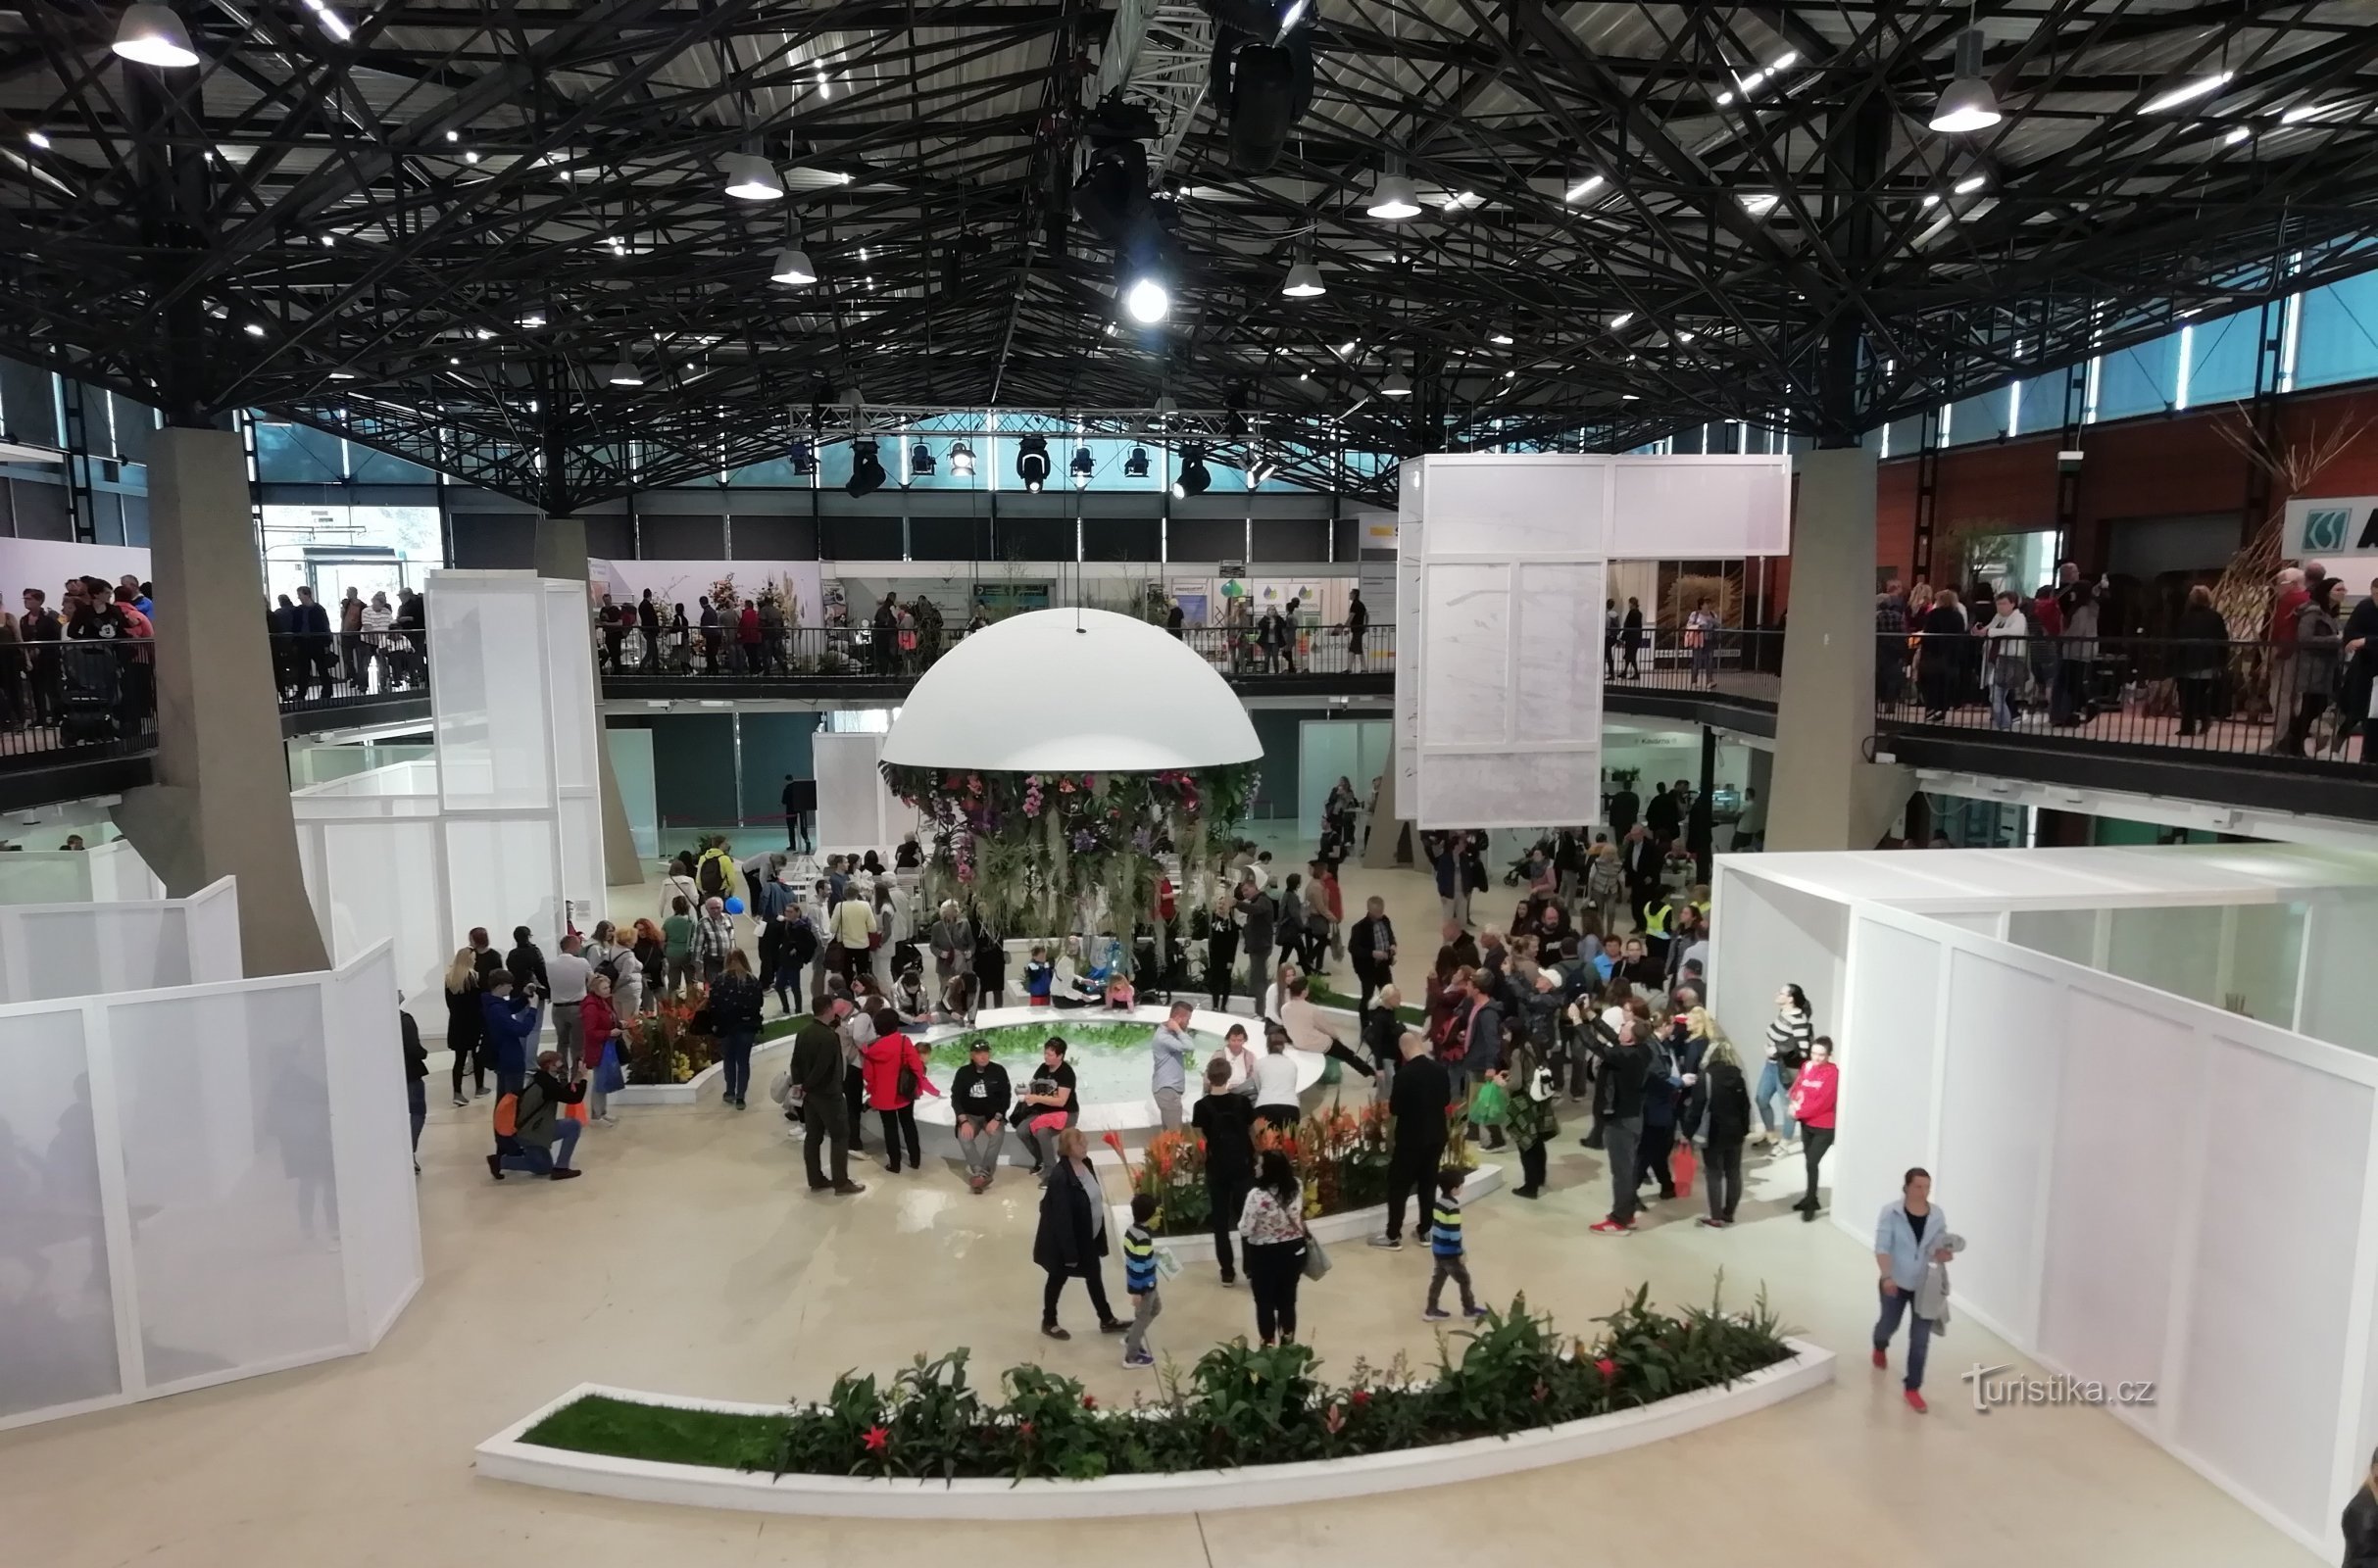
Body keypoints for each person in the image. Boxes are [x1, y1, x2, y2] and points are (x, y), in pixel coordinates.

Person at [1873, 1166, 1958, 1413]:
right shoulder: (1891, 1213)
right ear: (1907, 1187)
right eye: (1918, 1187)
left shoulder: (1937, 1215)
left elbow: (1939, 1244)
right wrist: (1887, 1276)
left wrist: (1944, 1254)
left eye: (1927, 1187)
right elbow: (1882, 1246)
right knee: (1888, 1325)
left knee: (1920, 1339)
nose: (1923, 1192)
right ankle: (1879, 1345)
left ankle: (1913, 1387)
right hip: (1896, 1283)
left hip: (1925, 1286)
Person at [1033, 1126, 1127, 1340]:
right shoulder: (1060, 1177)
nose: (1085, 1146)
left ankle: (1106, 1319)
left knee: (1094, 1277)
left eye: (1084, 1142)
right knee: (1057, 1278)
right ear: (1067, 1148)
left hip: (1087, 1237)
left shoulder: (1086, 1164)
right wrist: (1070, 1254)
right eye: (1079, 1143)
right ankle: (1049, 1321)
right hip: (1068, 1242)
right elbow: (1061, 1218)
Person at [1373, 1031, 1451, 1250]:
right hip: (1437, 1136)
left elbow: (1396, 1108)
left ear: (1404, 1050)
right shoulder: (1440, 1070)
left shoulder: (1405, 1075)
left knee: (1398, 1187)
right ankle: (1426, 1231)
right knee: (1428, 1185)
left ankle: (1393, 1235)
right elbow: (1445, 1099)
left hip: (1411, 1139)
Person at [1193, 1054, 1258, 1285]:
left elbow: (1200, 1142)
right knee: (1246, 1217)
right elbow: (1252, 1132)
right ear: (1229, 1076)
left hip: (1217, 1169)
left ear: (1209, 1078)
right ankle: (1251, 1268)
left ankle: (1227, 1272)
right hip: (1242, 1166)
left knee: (1220, 1222)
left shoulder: (1201, 1106)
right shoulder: (1242, 1103)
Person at [791, 996, 865, 1195]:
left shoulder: (804, 1032)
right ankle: (841, 1183)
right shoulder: (829, 1036)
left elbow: (795, 1062)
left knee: (813, 1137)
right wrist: (808, 1085)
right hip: (829, 1095)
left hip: (810, 1097)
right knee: (840, 1135)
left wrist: (801, 1086)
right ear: (827, 1010)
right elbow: (823, 1067)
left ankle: (815, 1179)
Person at [1588, 1015, 1653, 1235]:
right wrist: (1592, 1018)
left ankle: (1619, 1220)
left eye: (1625, 1026)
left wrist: (1578, 1022)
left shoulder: (1621, 1056)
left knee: (1622, 1172)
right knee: (1628, 1168)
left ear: (1630, 1037)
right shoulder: (1642, 1051)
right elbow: (1612, 1040)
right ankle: (1627, 1213)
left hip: (1620, 1120)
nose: (1621, 1027)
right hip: (1634, 1117)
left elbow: (1595, 1046)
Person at [488, 1050, 586, 1181]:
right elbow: (574, 1098)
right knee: (573, 1125)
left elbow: (563, 1092)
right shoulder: (548, 1085)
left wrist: (578, 1078)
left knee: (543, 1167)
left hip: (523, 1131)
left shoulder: (540, 1078)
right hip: (534, 1132)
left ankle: (500, 1161)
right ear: (550, 1065)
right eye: (558, 1061)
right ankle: (561, 1168)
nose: (561, 1064)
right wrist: (584, 1078)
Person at [862, 1005, 936, 1172]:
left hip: (882, 1097)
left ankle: (894, 1164)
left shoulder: (870, 1050)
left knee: (890, 1128)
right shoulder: (904, 1042)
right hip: (904, 1093)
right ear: (896, 1024)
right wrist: (918, 1087)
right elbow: (916, 1066)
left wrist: (874, 1094)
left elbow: (868, 1076)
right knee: (908, 1124)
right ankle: (915, 1160)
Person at [2280, 575, 2346, 757]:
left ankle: (2292, 741)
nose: (2343, 593)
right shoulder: (2313, 613)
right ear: (2327, 592)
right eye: (2339, 590)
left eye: (2343, 590)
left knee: (2316, 705)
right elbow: (2305, 638)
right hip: (2313, 667)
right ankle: (2293, 743)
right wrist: (2334, 640)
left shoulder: (2328, 613)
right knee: (2312, 706)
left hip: (2324, 667)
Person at [1696, 1036, 1753, 1228]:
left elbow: (1697, 1107)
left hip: (1713, 1131)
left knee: (1713, 1173)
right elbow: (1745, 1106)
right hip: (1735, 1131)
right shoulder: (1738, 1077)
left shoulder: (1707, 1077)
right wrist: (1745, 1130)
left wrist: (1688, 1131)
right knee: (1734, 1172)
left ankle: (1715, 1216)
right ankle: (1729, 1213)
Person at [1421, 1164, 1489, 1322]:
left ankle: (1431, 1309)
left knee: (1437, 1279)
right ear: (1454, 1189)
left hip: (1437, 1249)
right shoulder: (1452, 1208)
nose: (1461, 1188)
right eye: (1460, 1185)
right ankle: (1469, 1309)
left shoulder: (1439, 1203)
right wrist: (1460, 1252)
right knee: (1464, 1280)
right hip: (1450, 1252)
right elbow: (1454, 1233)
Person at [1500, 1020, 1560, 1199]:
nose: (1504, 1036)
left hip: (1524, 1102)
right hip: (1538, 1099)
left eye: (1506, 1033)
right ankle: (1539, 1178)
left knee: (1526, 1145)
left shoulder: (1517, 1052)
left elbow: (1516, 1083)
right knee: (1537, 1141)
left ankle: (1530, 1186)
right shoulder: (1531, 1045)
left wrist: (1502, 1083)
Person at [950, 1036, 1011, 1193]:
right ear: (972, 1055)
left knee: (997, 1135)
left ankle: (983, 1174)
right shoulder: (963, 1073)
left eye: (986, 1052)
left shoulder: (999, 1071)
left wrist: (997, 1119)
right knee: (964, 1136)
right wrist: (963, 1121)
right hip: (970, 1115)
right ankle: (980, 1173)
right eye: (979, 1053)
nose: (983, 1056)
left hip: (992, 1116)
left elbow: (1006, 1097)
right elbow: (955, 1098)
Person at [1788, 1037, 1840, 1220]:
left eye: (1821, 1055)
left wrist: (1798, 1112)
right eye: (1814, 1053)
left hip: (1824, 1126)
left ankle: (1810, 1201)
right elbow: (1797, 1087)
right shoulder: (1807, 1067)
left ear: (1829, 1055)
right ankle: (1811, 1198)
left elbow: (1824, 1102)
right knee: (1810, 1164)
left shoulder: (1832, 1073)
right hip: (1807, 1124)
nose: (1816, 1058)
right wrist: (1794, 1100)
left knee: (1812, 1162)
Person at [1759, 983, 1813, 1151]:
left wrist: (1777, 1051)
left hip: (1786, 1069)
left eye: (1781, 992)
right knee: (1761, 1098)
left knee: (1787, 1106)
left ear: (1790, 998)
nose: (1777, 994)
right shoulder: (1784, 1012)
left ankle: (1785, 1142)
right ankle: (1770, 1135)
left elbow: (1803, 1050)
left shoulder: (1798, 1019)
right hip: (1771, 1065)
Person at [1015, 1037, 1078, 1177]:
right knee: (1021, 1131)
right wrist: (1023, 1090)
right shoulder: (1043, 1068)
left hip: (1065, 1114)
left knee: (1042, 1132)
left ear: (1060, 1056)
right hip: (1043, 1111)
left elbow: (1061, 1101)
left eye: (1050, 1055)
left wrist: (1037, 1098)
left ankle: (1051, 1172)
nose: (1046, 1057)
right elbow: (1031, 1086)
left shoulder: (1066, 1073)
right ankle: (1041, 1160)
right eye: (1045, 1053)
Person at [711, 948, 767, 1108]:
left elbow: (714, 1004)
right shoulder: (752, 980)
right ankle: (741, 1096)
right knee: (743, 1062)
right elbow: (759, 1004)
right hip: (747, 1027)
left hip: (726, 1026)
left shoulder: (720, 980)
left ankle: (730, 1092)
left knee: (729, 1059)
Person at [2174, 583, 2231, 739]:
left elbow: (2179, 640)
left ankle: (2187, 727)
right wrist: (2221, 662)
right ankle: (2205, 720)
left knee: (2187, 696)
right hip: (2208, 663)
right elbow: (2222, 640)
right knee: (2203, 695)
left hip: (2187, 664)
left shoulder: (2185, 618)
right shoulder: (2216, 617)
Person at [479, 971, 542, 1098]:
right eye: (509, 985)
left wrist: (524, 996)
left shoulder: (492, 1002)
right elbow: (522, 1030)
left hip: (502, 1057)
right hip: (510, 1057)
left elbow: (510, 1007)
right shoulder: (497, 1009)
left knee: (503, 1098)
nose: (512, 988)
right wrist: (533, 1009)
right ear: (500, 986)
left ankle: (502, 1117)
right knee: (512, 1099)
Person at [1120, 1193, 1163, 1369]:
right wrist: (1136, 1291)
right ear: (1151, 1214)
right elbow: (1138, 1265)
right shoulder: (1143, 1238)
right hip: (1145, 1286)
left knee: (1156, 1308)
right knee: (1142, 1317)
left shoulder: (1132, 1230)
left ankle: (1132, 1337)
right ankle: (1132, 1355)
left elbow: (1136, 1257)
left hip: (1147, 1282)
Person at [1917, 587, 1967, 721]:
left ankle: (1931, 709)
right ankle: (1942, 710)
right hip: (1951, 656)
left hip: (1933, 654)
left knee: (1931, 684)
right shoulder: (1958, 616)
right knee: (1946, 684)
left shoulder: (1933, 615)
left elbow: (1927, 634)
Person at [579, 973, 622, 1126]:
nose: (608, 990)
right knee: (599, 1082)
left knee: (603, 1081)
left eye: (608, 986)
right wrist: (609, 1033)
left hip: (606, 1046)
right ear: (595, 989)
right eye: (604, 987)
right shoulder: (591, 1007)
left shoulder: (603, 1002)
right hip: (598, 1048)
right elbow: (590, 1032)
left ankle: (602, 1112)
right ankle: (597, 1115)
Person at [1981, 591, 2029, 730]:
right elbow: (1987, 629)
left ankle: (2005, 726)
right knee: (1995, 696)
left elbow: (2016, 631)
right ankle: (2004, 725)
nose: (2000, 606)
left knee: (1997, 696)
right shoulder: (1998, 617)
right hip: (1996, 659)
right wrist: (1979, 632)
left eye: (2004, 603)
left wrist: (1991, 632)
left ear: (2013, 604)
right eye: (1998, 603)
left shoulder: (2019, 617)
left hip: (2009, 659)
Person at [546, 932, 592, 1075]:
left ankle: (561, 1071)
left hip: (557, 1009)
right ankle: (576, 1074)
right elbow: (592, 980)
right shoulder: (582, 963)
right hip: (577, 1007)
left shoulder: (550, 964)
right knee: (577, 1045)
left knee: (562, 1043)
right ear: (574, 945)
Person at [444, 947, 484, 1105]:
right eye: (473, 958)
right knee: (477, 1055)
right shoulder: (473, 978)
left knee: (459, 1060)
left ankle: (457, 1092)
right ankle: (479, 1088)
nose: (475, 960)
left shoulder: (449, 979)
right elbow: (477, 1004)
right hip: (473, 1023)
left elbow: (450, 1004)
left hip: (456, 1023)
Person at [1151, 1000, 1196, 1131]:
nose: (1188, 1023)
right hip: (1167, 1091)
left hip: (1168, 1090)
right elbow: (1189, 1047)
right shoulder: (1163, 1037)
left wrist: (1177, 1029)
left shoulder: (1169, 1034)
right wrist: (1178, 1029)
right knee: (1175, 1136)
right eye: (1187, 1019)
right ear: (1178, 1018)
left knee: (1169, 1137)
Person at [1252, 1023, 1303, 1128]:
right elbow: (1293, 1088)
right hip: (1291, 1109)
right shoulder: (1292, 1064)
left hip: (1264, 1107)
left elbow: (1259, 1088)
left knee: (1265, 1143)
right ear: (1283, 1046)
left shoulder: (1259, 1064)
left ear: (1267, 1046)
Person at [1238, 877, 1274, 997]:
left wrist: (1237, 903)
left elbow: (1254, 910)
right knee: (1258, 975)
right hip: (1258, 945)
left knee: (1257, 977)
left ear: (1256, 887)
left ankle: (1259, 1004)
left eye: (1246, 889)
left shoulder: (1262, 901)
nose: (1245, 893)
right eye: (1243, 891)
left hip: (1260, 945)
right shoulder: (1258, 901)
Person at [927, 900, 974, 992]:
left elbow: (972, 943)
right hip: (945, 965)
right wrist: (940, 953)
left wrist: (970, 951)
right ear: (945, 910)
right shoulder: (937, 927)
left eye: (956, 907)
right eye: (952, 907)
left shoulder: (964, 924)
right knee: (946, 991)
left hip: (961, 964)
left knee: (961, 990)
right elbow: (932, 946)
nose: (955, 909)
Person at [1206, 890, 1240, 1009]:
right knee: (1215, 981)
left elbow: (1233, 944)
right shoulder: (1211, 919)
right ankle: (1215, 1005)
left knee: (1225, 982)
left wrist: (1230, 960)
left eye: (1223, 904)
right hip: (1214, 956)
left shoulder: (1232, 924)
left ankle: (1223, 1006)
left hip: (1226, 957)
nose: (1221, 906)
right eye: (1219, 904)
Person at [402, 1007, 426, 1172]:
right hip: (411, 1073)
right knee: (417, 1112)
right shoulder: (405, 1020)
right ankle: (408, 1152)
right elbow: (413, 1049)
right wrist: (423, 1053)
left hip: (388, 1074)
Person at [661, 896, 697, 996]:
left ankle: (673, 1007)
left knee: (673, 984)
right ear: (687, 906)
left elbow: (662, 938)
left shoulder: (668, 921)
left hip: (671, 954)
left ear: (674, 907)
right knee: (691, 983)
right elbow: (696, 938)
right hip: (687, 954)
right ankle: (692, 1006)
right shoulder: (691, 920)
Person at [1684, 597, 1720, 687]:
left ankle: (1709, 681)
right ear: (1701, 605)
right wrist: (1698, 626)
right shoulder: (1695, 614)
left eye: (1709, 603)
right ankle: (1694, 681)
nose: (1708, 605)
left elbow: (1718, 625)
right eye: (1706, 603)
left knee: (1710, 661)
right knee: (1697, 661)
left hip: (1710, 640)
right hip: (1698, 641)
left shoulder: (1712, 614)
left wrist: (1712, 621)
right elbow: (1688, 626)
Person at [505, 925, 548, 998]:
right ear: (528, 937)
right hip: (532, 990)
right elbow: (541, 972)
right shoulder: (534, 951)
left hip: (516, 991)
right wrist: (548, 989)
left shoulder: (512, 954)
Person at [1619, 596, 1644, 678]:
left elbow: (1628, 625)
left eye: (1629, 603)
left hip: (1631, 637)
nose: (1629, 605)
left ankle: (1634, 673)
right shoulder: (1639, 613)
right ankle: (1626, 672)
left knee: (1630, 655)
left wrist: (1623, 636)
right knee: (1631, 655)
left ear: (1632, 604)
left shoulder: (1631, 613)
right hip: (1636, 637)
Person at [1344, 588, 1368, 666]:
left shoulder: (1355, 604)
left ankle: (1355, 668)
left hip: (1357, 629)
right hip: (1359, 629)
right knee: (1356, 649)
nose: (1349, 594)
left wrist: (1344, 626)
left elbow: (1351, 616)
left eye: (1351, 593)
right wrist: (1365, 625)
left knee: (1354, 649)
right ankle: (1361, 668)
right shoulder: (1361, 604)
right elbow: (1367, 615)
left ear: (1354, 595)